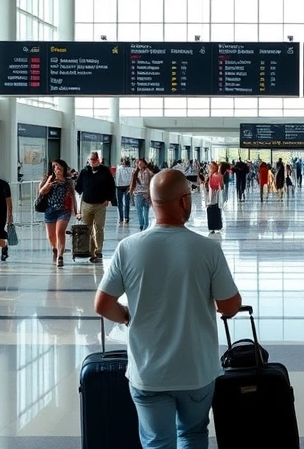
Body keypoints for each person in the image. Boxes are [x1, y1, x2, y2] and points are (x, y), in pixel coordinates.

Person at [94, 169, 242, 449]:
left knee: (157, 442)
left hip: (148, 372)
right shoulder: (207, 249)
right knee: (193, 434)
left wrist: (126, 315)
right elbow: (229, 305)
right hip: (196, 371)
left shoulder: (128, 248)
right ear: (185, 201)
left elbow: (102, 304)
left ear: (150, 201)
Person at [76, 151, 116, 264]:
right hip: (86, 203)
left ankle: (98, 251)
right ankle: (91, 251)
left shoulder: (105, 171)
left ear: (99, 160)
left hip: (100, 204)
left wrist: (108, 199)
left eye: (94, 160)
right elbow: (78, 188)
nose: (92, 162)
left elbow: (111, 186)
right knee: (87, 228)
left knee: (98, 227)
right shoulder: (84, 172)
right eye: (91, 160)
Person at [39, 159, 77, 268]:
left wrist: (75, 209)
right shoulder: (49, 178)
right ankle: (55, 248)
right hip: (50, 210)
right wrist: (49, 184)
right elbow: (41, 192)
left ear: (64, 168)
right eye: (55, 167)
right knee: (50, 236)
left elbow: (73, 195)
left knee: (60, 232)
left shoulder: (68, 181)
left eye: (59, 167)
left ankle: (60, 256)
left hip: (64, 210)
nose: (57, 169)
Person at [130, 158, 155, 231]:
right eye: (138, 164)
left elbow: (152, 181)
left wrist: (151, 193)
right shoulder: (135, 172)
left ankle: (146, 225)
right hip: (138, 193)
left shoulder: (149, 172)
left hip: (147, 193)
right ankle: (141, 224)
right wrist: (132, 190)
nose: (139, 165)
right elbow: (132, 182)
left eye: (141, 163)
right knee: (139, 210)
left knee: (146, 210)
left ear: (144, 164)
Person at [115, 158, 134, 224]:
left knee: (120, 203)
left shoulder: (119, 168)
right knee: (126, 203)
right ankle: (126, 217)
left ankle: (121, 218)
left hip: (120, 187)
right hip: (127, 187)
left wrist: (116, 185)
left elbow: (117, 177)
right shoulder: (131, 169)